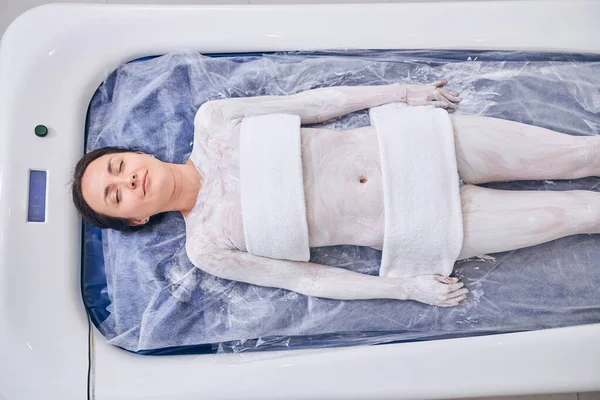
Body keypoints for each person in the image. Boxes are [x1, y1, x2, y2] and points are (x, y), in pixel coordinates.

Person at [72, 80, 600, 307]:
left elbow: (313, 104)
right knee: (582, 213)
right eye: (116, 196)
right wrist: (403, 288)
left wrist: (401, 93)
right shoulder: (206, 248)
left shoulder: (214, 122)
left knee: (582, 155)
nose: (128, 181)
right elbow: (307, 280)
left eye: (118, 167)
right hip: (426, 222)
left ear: (134, 153)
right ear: (136, 220)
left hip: (419, 145)